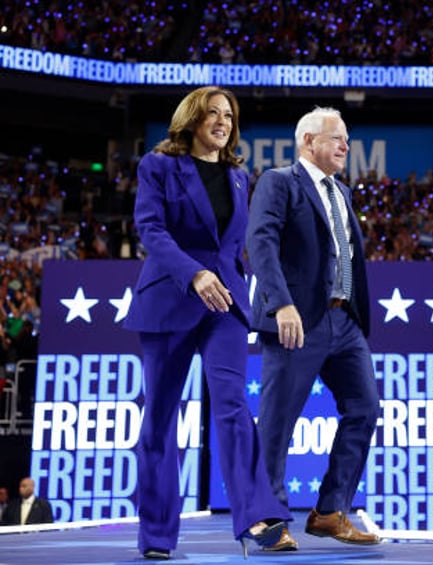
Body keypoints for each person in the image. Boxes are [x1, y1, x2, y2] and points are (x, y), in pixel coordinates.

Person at [124, 86, 294, 560]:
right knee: (159, 416)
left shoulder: (240, 176)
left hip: (225, 304)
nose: (222, 121)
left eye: (229, 115)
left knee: (233, 404)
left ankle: (256, 516)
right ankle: (156, 535)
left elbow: (234, 246)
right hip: (170, 296)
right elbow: (151, 229)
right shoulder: (158, 166)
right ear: (192, 119)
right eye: (213, 113)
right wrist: (192, 274)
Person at [246, 106, 380, 545]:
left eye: (347, 138)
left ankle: (330, 509)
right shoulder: (279, 181)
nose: (345, 145)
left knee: (365, 408)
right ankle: (265, 519)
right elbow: (260, 242)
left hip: (344, 321)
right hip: (296, 320)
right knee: (278, 420)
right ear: (308, 141)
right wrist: (280, 304)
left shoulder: (342, 192)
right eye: (337, 137)